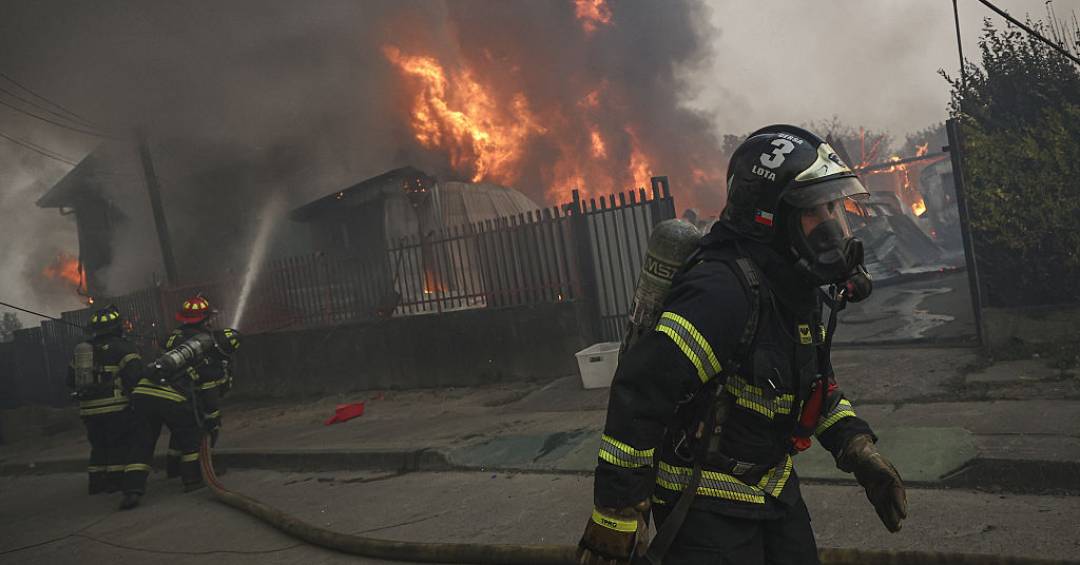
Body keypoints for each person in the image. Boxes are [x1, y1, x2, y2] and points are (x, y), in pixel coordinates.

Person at [578, 125, 907, 565]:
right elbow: (642, 393)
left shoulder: (794, 287)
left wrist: (859, 449)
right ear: (770, 218)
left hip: (772, 489)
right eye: (815, 211)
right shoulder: (721, 292)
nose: (831, 225)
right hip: (703, 501)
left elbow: (814, 388)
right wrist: (617, 511)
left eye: (833, 207)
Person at [67, 305, 142, 495]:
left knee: (98, 445)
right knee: (117, 444)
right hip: (115, 407)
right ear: (117, 326)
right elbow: (134, 378)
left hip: (88, 410)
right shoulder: (123, 347)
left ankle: (96, 484)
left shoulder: (83, 351)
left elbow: (70, 381)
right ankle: (115, 482)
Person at [161, 295, 237, 479]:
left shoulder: (173, 337)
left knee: (180, 430)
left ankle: (173, 469)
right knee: (208, 427)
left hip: (176, 392)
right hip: (203, 393)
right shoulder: (204, 339)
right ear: (204, 318)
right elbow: (211, 370)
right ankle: (204, 468)